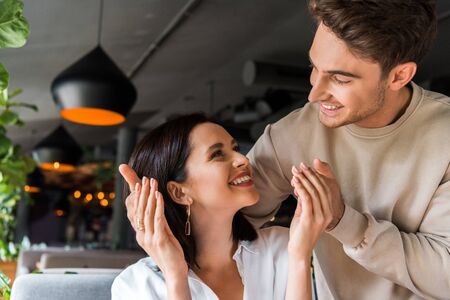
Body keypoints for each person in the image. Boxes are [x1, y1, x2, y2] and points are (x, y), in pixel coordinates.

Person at [121, 0, 450, 299]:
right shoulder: (293, 134)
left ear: (399, 75)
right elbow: (222, 210)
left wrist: (341, 220)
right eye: (314, 69)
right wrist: (157, 215)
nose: (315, 94)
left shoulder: (444, 136)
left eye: (340, 79)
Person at [112, 114, 332, 299]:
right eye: (217, 154)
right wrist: (175, 276)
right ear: (179, 192)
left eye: (235, 148)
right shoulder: (137, 284)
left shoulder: (282, 248)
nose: (242, 159)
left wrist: (300, 257)